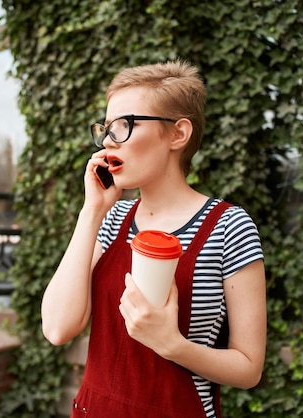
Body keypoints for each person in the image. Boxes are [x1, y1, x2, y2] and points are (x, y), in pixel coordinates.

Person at [41, 60, 266, 418]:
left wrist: (173, 345)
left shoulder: (229, 228)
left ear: (178, 134)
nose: (109, 142)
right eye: (106, 129)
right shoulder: (112, 219)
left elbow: (249, 368)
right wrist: (91, 211)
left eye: (124, 126)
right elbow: (57, 328)